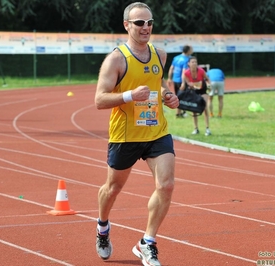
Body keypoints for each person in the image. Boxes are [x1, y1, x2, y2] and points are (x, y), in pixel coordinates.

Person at [94, 2, 179, 266]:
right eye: (139, 23)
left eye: (149, 22)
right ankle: (102, 227)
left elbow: (157, 85)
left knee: (166, 185)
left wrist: (166, 96)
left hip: (156, 131)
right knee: (113, 188)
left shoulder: (160, 54)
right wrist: (130, 95)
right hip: (125, 135)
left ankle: (147, 242)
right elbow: (99, 99)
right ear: (127, 25)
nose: (146, 27)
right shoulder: (116, 59)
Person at [180, 56, 211, 136]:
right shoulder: (186, 73)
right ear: (189, 64)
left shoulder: (201, 71)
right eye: (192, 62)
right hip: (193, 91)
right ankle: (196, 128)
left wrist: (209, 85)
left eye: (195, 62)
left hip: (202, 90)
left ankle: (207, 128)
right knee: (194, 109)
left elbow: (207, 79)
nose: (194, 64)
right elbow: (185, 83)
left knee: (204, 108)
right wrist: (185, 85)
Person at [167, 45, 193, 118]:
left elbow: (171, 68)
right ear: (188, 51)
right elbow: (184, 72)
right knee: (182, 97)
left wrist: (169, 78)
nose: (192, 50)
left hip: (175, 80)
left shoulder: (176, 58)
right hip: (181, 80)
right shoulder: (187, 59)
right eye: (191, 49)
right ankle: (179, 113)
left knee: (179, 96)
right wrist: (183, 83)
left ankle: (181, 112)